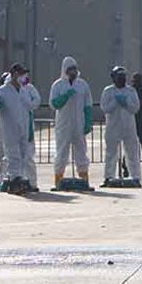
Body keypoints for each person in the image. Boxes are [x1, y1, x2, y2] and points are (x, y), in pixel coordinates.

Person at [0, 63, 39, 195]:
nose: (24, 77)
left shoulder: (24, 90)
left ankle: (20, 178)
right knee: (13, 155)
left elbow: (31, 106)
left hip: (23, 127)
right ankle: (14, 179)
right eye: (21, 74)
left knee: (23, 154)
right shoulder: (3, 91)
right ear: (15, 75)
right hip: (9, 128)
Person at [50, 56, 93, 189]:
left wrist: (87, 122)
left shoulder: (82, 85)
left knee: (81, 151)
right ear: (64, 70)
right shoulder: (58, 85)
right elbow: (54, 104)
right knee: (62, 151)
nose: (73, 72)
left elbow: (88, 105)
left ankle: (84, 178)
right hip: (63, 124)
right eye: (70, 69)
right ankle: (58, 179)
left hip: (78, 123)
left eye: (74, 69)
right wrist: (65, 96)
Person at [101, 65, 142, 185]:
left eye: (123, 77)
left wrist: (126, 102)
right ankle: (109, 176)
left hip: (129, 126)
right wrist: (115, 102)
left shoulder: (131, 91)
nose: (122, 79)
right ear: (113, 78)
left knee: (132, 152)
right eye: (119, 77)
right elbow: (105, 108)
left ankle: (135, 176)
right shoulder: (108, 91)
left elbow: (135, 108)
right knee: (111, 152)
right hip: (113, 126)